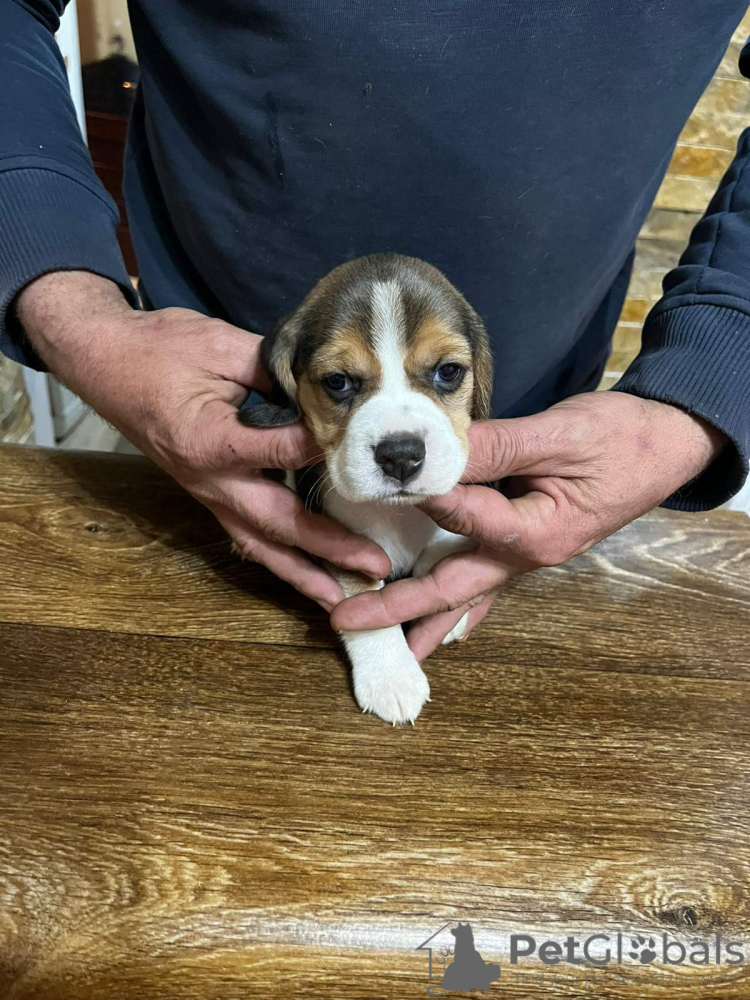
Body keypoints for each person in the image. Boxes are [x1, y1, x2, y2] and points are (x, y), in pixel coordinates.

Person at [1, 2, 748, 658]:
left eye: (447, 372)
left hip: (552, 412)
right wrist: (74, 311)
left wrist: (707, 381)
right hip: (203, 412)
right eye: (340, 378)